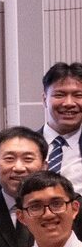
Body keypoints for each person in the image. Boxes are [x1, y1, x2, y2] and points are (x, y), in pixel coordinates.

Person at [40, 62, 82, 192]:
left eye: (78, 95)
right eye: (59, 95)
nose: (69, 103)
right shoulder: (23, 146)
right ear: (44, 99)